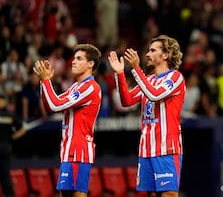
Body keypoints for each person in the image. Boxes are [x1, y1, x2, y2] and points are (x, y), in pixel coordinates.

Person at [107, 35, 185, 197]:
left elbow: (154, 95)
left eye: (152, 50)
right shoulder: (148, 79)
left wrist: (136, 69)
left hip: (166, 148)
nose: (147, 54)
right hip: (147, 148)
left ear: (166, 55)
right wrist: (120, 74)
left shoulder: (175, 77)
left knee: (169, 194)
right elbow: (126, 101)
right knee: (152, 194)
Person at [33, 43, 102, 197]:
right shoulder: (75, 87)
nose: (73, 61)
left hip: (79, 150)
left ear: (91, 64)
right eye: (74, 58)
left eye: (79, 58)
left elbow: (55, 105)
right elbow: (50, 106)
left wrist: (45, 81)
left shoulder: (91, 87)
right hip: (68, 149)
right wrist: (45, 82)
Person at [0, 93, 26, 197]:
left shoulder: (10, 115)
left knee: (5, 175)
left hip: (5, 148)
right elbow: (22, 130)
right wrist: (11, 138)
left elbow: (22, 130)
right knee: (5, 175)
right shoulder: (10, 116)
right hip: (5, 147)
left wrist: (11, 138)